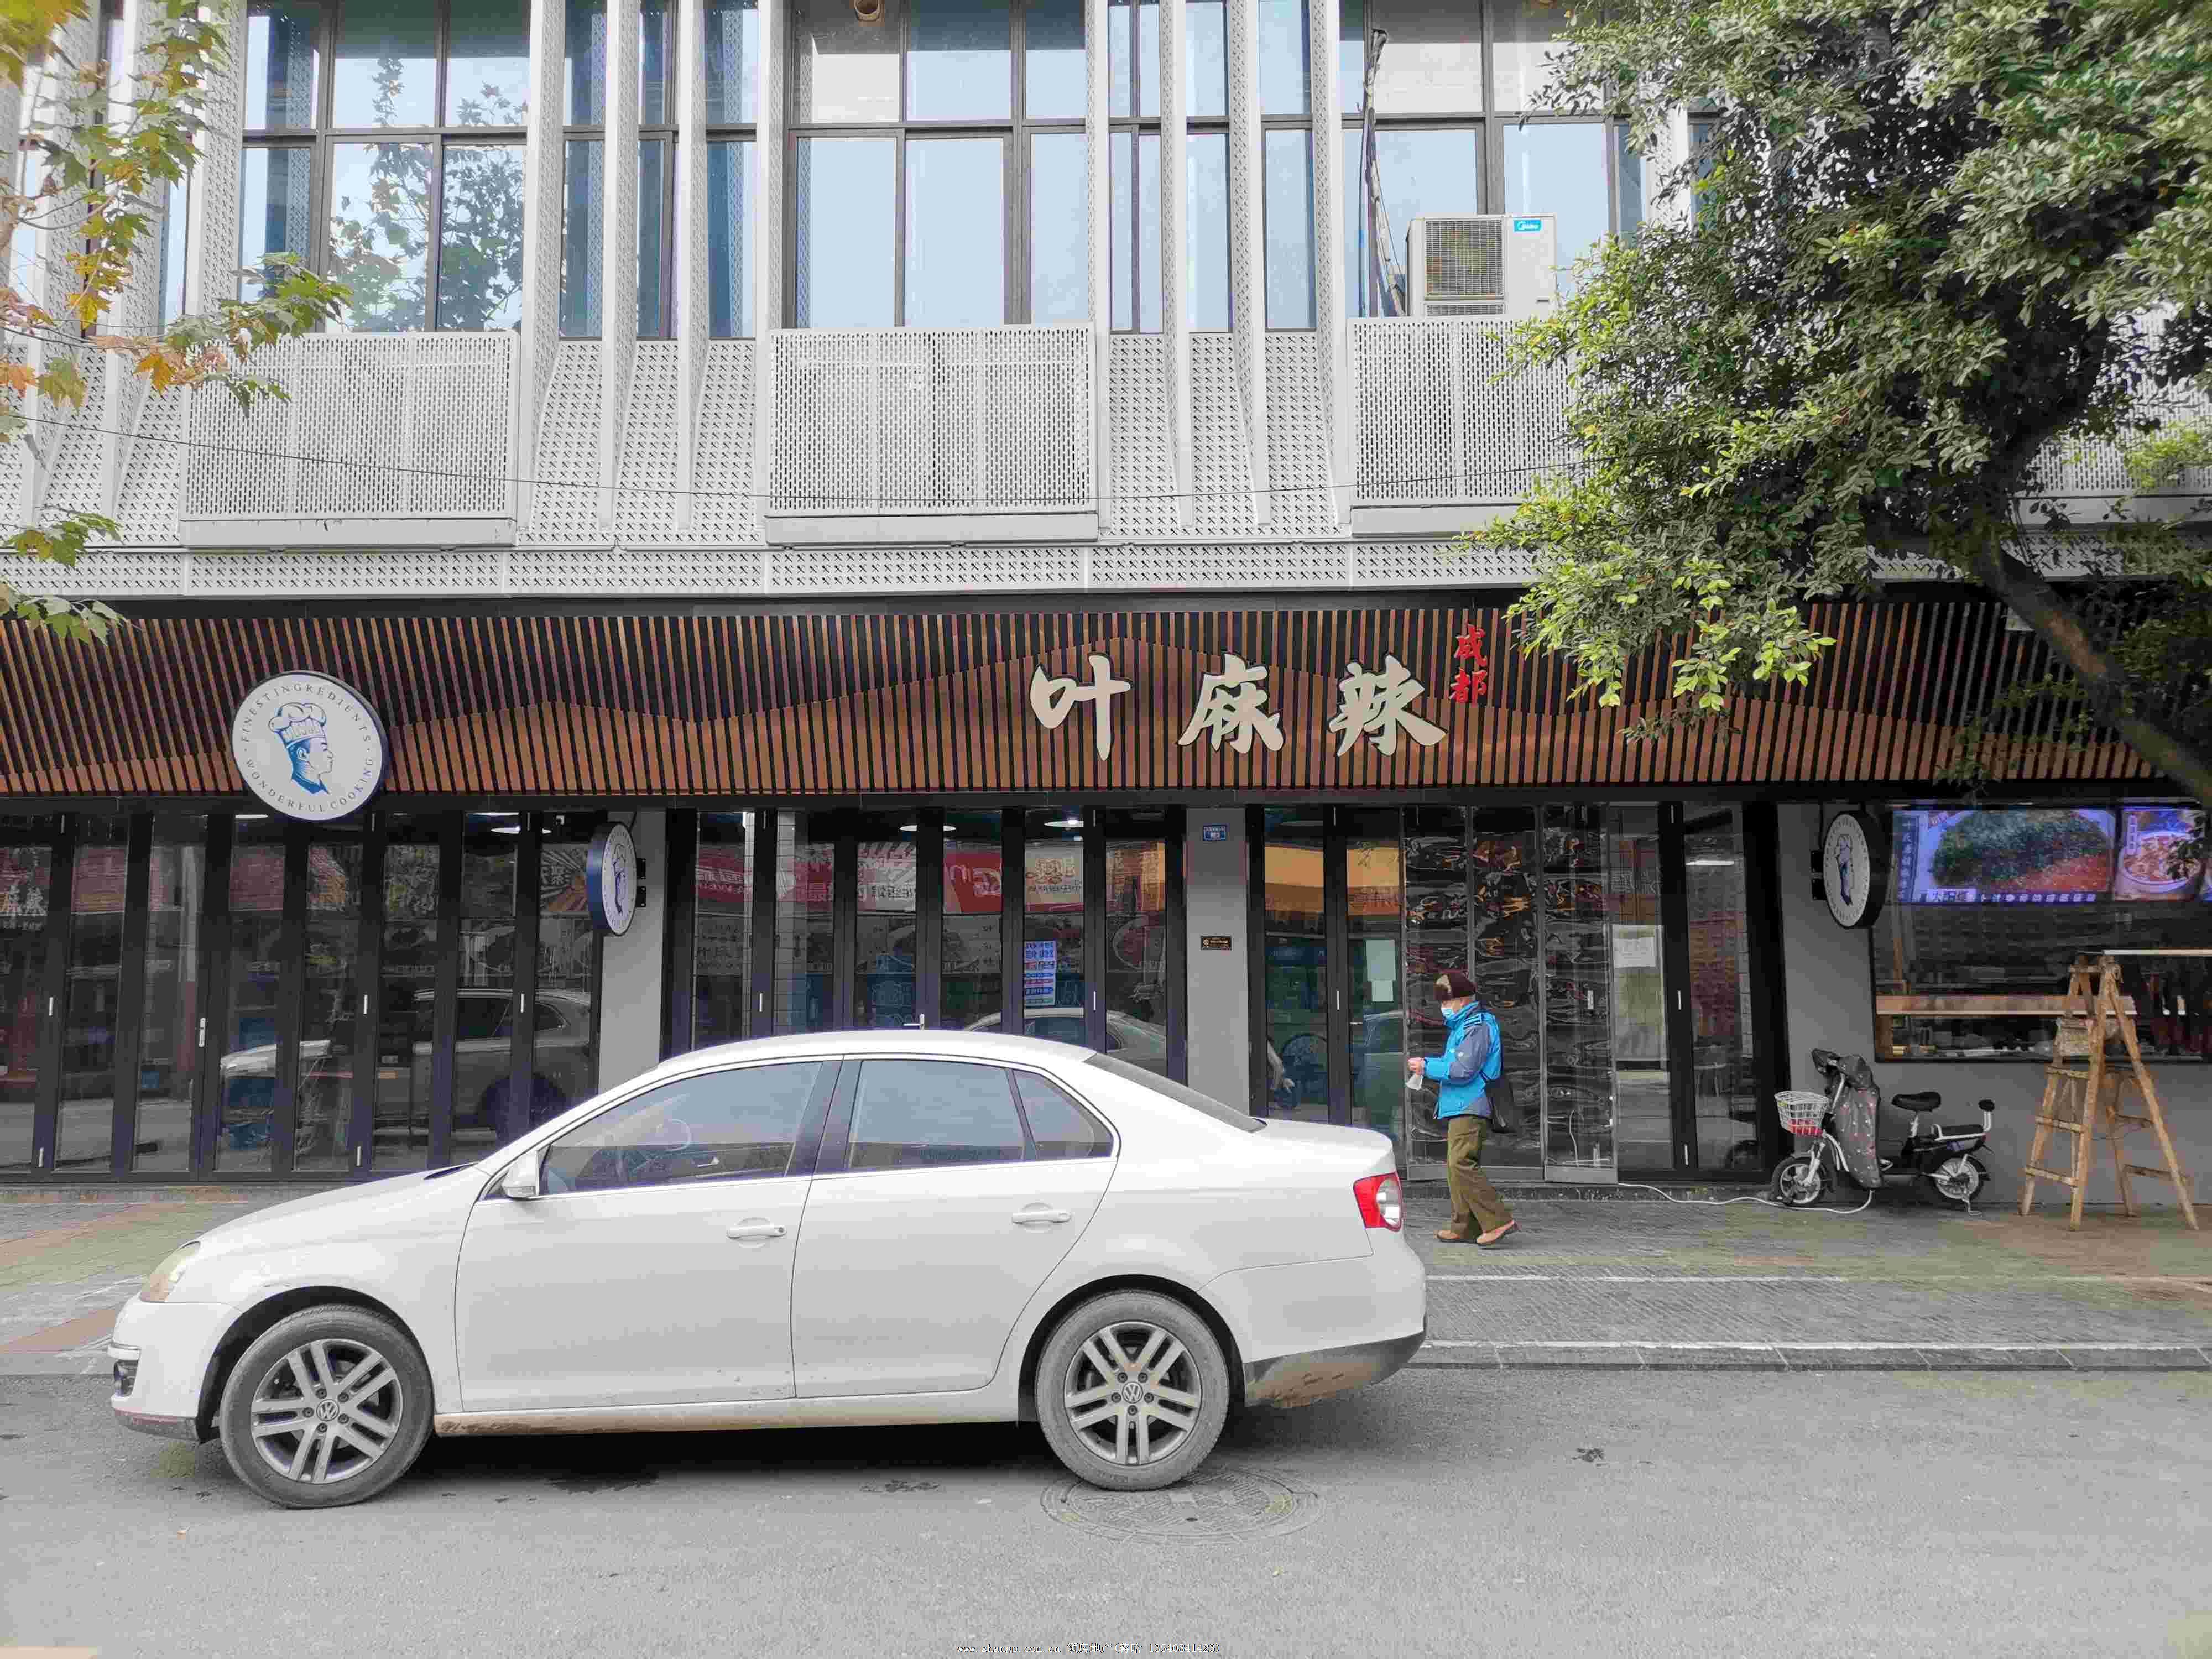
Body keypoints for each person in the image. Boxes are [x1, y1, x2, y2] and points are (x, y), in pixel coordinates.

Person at [1406, 969, 1519, 1247]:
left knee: (1461, 1163)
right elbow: (1457, 1065)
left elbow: (1462, 1069)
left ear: (1463, 1000)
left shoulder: (1476, 1027)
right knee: (1455, 1167)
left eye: (1447, 1002)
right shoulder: (1464, 1026)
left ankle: (1498, 1220)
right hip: (1461, 1105)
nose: (1444, 1007)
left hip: (1471, 1104)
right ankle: (1464, 1226)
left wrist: (1427, 1067)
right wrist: (1429, 1066)